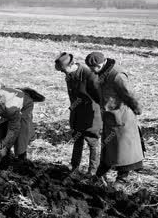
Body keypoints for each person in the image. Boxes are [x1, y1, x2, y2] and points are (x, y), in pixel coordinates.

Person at [85, 51, 144, 187]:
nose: (93, 71)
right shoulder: (101, 73)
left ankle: (121, 180)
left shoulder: (117, 75)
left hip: (122, 119)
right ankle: (99, 176)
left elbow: (129, 94)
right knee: (109, 150)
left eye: (96, 67)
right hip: (110, 118)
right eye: (91, 68)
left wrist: (137, 109)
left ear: (103, 62)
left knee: (124, 152)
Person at [54, 52, 102, 175]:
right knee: (77, 138)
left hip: (91, 112)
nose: (62, 72)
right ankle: (74, 167)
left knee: (92, 141)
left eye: (63, 70)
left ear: (71, 65)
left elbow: (100, 96)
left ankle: (93, 171)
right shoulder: (69, 75)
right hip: (77, 112)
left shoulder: (88, 75)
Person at [0, 83, 45, 164]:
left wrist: (5, 147)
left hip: (25, 105)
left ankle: (22, 157)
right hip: (12, 100)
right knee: (0, 130)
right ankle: (5, 152)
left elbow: (14, 130)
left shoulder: (11, 110)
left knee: (21, 133)